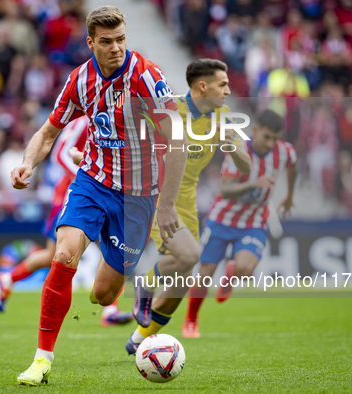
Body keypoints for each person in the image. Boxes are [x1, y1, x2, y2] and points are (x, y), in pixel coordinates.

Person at [9, 6, 187, 385]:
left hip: (139, 197)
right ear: (91, 43)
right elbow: (46, 132)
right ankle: (41, 360)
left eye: (121, 39)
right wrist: (28, 163)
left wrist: (168, 202)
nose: (116, 48)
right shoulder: (79, 80)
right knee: (63, 254)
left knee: (104, 294)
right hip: (93, 180)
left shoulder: (145, 75)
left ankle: (115, 299)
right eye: (106, 42)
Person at [125, 58, 252, 354]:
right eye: (223, 85)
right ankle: (144, 284)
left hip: (188, 200)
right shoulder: (170, 108)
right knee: (189, 254)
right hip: (157, 194)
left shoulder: (224, 116)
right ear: (202, 86)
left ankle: (139, 339)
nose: (228, 91)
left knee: (181, 282)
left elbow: (246, 165)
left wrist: (231, 145)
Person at [0, 115, 133, 326]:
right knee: (56, 254)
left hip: (96, 194)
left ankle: (110, 309)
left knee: (108, 246)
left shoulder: (114, 120)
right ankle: (7, 279)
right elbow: (61, 153)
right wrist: (88, 179)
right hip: (75, 194)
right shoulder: (85, 119)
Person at [183, 109, 297, 337]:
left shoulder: (285, 152)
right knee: (205, 274)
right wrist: (254, 183)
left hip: (254, 220)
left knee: (246, 268)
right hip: (222, 219)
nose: (270, 143)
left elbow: (293, 166)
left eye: (275, 138)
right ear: (254, 130)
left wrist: (290, 196)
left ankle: (231, 274)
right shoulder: (238, 151)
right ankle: (191, 320)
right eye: (266, 137)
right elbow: (226, 190)